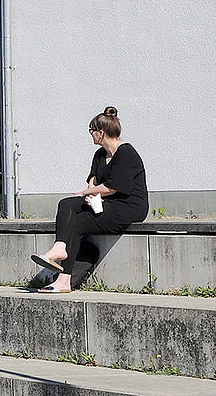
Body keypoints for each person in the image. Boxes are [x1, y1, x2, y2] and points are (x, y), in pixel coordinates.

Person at [31, 106, 148, 294]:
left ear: (101, 133)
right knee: (66, 203)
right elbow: (93, 179)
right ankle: (60, 248)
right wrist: (90, 191)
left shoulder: (126, 153)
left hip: (128, 207)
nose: (91, 135)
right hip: (106, 202)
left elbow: (113, 187)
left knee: (77, 224)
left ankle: (64, 279)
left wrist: (89, 193)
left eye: (91, 131)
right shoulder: (100, 154)